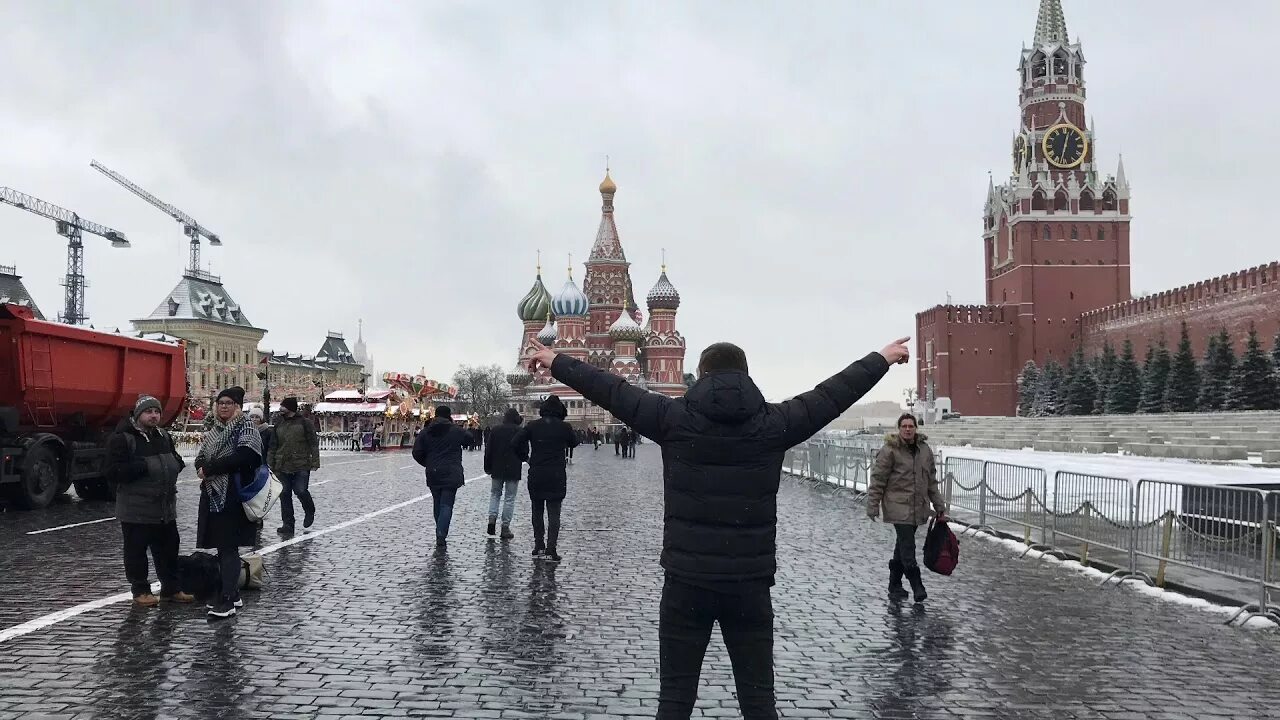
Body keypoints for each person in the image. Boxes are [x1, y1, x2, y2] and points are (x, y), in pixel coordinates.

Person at [525, 335, 908, 719]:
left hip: (686, 583)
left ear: (701, 375)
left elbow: (611, 388)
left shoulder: (672, 418)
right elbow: (832, 394)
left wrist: (555, 359)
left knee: (675, 700)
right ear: (746, 375)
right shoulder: (775, 424)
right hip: (749, 585)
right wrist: (881, 358)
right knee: (758, 701)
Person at [104, 395, 193, 607]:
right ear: (138, 414)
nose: (153, 416)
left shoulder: (162, 435)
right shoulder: (122, 439)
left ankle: (171, 588)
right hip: (136, 508)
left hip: (165, 507)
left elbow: (175, 459)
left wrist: (174, 465)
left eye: (157, 412)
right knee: (136, 552)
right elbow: (113, 471)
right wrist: (146, 466)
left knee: (169, 550)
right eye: (148, 412)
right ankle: (140, 590)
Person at [195, 386, 263, 619]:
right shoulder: (215, 430)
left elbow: (248, 457)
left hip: (234, 495)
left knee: (228, 547)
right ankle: (232, 593)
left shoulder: (246, 427)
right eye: (220, 402)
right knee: (222, 546)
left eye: (229, 403)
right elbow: (201, 456)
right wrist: (201, 467)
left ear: (238, 407)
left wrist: (213, 467)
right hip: (214, 494)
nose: (224, 406)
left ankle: (227, 599)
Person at [867, 413, 945, 603]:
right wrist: (873, 505)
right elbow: (878, 479)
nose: (908, 429)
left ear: (916, 429)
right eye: (904, 426)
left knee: (901, 546)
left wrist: (939, 505)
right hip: (898, 506)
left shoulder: (924, 450)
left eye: (911, 426)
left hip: (918, 506)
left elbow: (931, 481)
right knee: (908, 546)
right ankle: (917, 585)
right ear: (899, 428)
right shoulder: (890, 450)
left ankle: (894, 585)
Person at [511, 395, 579, 563]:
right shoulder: (564, 427)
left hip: (537, 472)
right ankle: (551, 549)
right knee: (554, 513)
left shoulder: (533, 426)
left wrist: (525, 457)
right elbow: (574, 442)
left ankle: (538, 545)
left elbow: (514, 442)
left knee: (537, 510)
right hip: (556, 474)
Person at [412, 405, 473, 549]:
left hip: (433, 471)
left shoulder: (426, 431)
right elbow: (470, 439)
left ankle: (439, 529)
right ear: (449, 416)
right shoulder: (455, 430)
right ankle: (441, 533)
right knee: (447, 504)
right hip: (451, 471)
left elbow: (416, 452)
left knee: (437, 502)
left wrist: (427, 463)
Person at [268, 397, 319, 535]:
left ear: (290, 408)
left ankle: (309, 510)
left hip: (301, 464)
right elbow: (273, 445)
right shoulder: (279, 423)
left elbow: (313, 443)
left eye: (283, 406)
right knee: (284, 494)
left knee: (301, 490)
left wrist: (315, 461)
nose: (280, 409)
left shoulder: (304, 423)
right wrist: (270, 463)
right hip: (281, 465)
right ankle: (288, 524)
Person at [483, 408, 524, 539]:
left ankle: (491, 520)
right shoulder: (519, 431)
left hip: (497, 467)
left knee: (495, 495)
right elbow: (524, 451)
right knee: (509, 498)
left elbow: (488, 450)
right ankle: (505, 527)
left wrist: (487, 466)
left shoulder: (495, 430)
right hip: (513, 468)